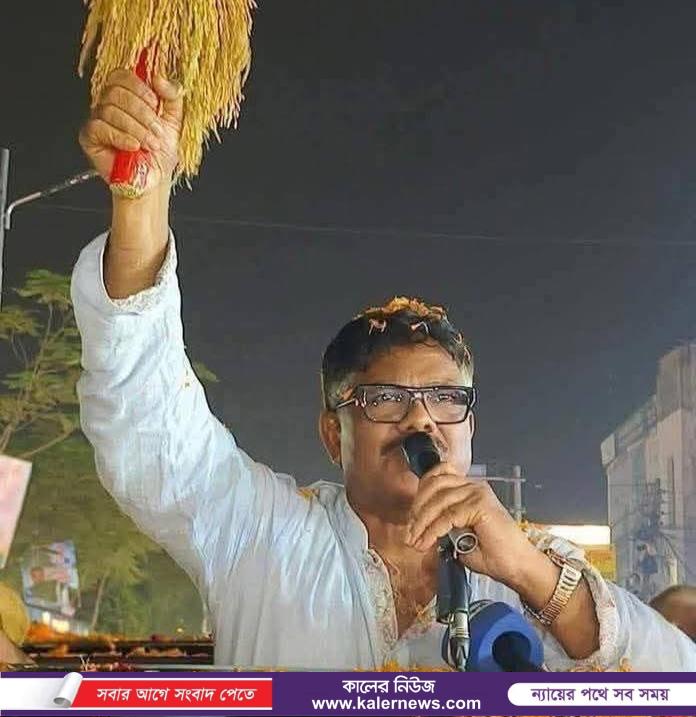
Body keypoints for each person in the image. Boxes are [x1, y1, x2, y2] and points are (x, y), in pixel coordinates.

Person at [72, 67, 696, 671]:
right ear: (332, 432)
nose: (422, 421)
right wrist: (141, 203)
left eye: (446, 399)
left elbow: (675, 675)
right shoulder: (263, 534)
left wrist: (529, 572)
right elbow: (149, 426)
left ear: (470, 427)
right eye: (387, 399)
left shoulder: (527, 564)